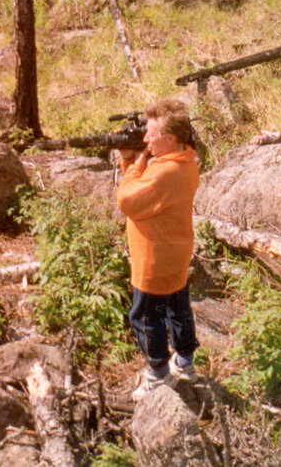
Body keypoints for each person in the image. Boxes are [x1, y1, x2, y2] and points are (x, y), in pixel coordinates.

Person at [116, 98, 201, 401]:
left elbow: (127, 201)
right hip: (176, 254)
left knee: (146, 317)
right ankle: (185, 362)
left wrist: (130, 165)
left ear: (169, 138)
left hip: (153, 260)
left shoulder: (163, 173)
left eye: (151, 135)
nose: (145, 139)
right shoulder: (186, 161)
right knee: (178, 307)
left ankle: (158, 375)